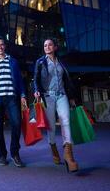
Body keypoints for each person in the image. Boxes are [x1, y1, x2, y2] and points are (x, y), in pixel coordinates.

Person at [33, 38, 78, 172]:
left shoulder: (62, 62)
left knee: (65, 121)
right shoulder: (40, 62)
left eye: (50, 44)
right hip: (48, 96)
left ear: (55, 47)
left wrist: (71, 97)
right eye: (45, 45)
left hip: (62, 95)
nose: (47, 47)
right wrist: (36, 91)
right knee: (51, 126)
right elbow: (35, 79)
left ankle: (69, 156)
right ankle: (53, 147)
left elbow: (67, 80)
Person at [0, 36, 27, 167]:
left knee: (17, 123)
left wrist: (23, 94)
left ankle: (15, 152)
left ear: (4, 46)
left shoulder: (13, 61)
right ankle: (2, 154)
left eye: (1, 45)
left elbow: (19, 80)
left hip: (12, 98)